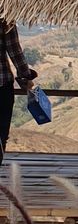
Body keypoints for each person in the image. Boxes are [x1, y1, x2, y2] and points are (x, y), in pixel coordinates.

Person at [0, 17, 38, 165]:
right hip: (1, 85)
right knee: (1, 131)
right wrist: (26, 76)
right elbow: (14, 50)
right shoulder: (4, 18)